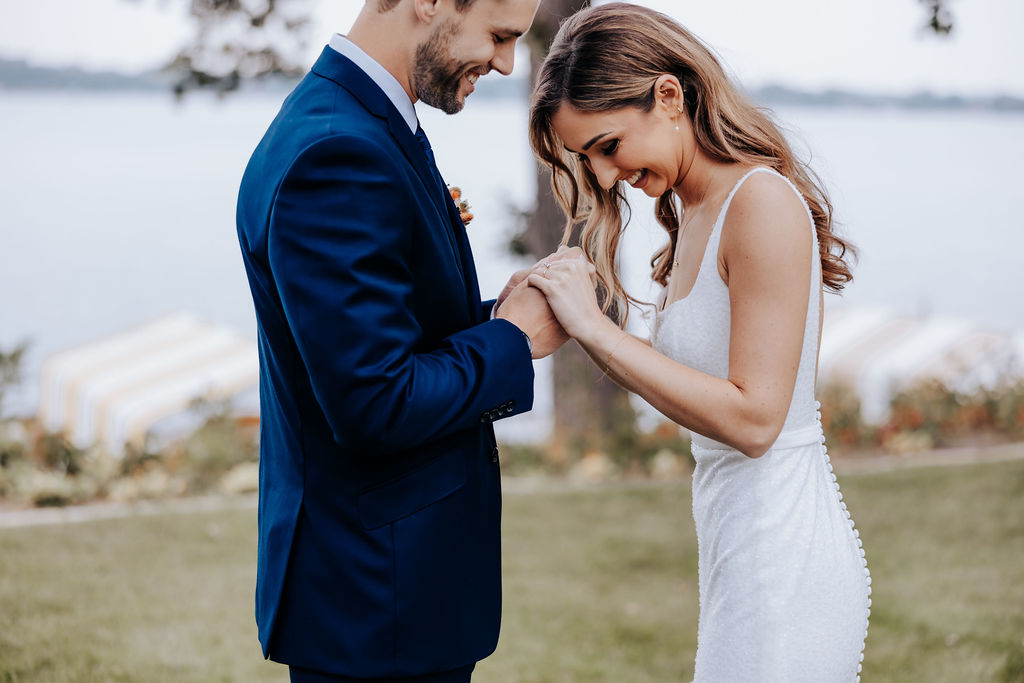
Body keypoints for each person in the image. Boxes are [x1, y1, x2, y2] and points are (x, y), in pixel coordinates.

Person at [526, 4, 871, 681]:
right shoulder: (693, 215)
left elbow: (755, 419)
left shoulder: (761, 203)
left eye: (607, 145)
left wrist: (596, 328)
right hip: (739, 558)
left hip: (786, 566)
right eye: (585, 157)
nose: (601, 176)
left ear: (668, 95)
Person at [235, 1, 571, 680]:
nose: (508, 63)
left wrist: (500, 315)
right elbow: (375, 401)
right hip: (374, 605)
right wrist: (510, 341)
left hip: (394, 598)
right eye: (500, 35)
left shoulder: (367, 122)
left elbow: (385, 332)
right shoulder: (337, 151)